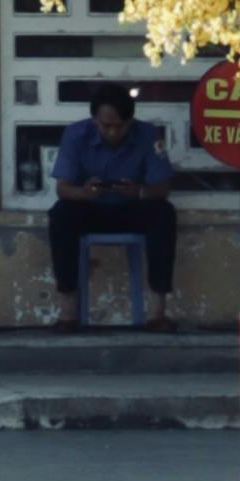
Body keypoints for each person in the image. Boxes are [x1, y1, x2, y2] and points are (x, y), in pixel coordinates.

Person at [45, 81, 179, 323]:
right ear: (94, 119)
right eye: (105, 126)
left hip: (132, 209)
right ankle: (67, 312)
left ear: (131, 121)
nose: (113, 132)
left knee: (164, 213)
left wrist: (139, 192)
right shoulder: (76, 134)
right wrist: (84, 193)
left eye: (120, 126)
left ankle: (158, 313)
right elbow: (62, 188)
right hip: (91, 209)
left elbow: (162, 188)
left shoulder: (148, 135)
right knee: (61, 214)